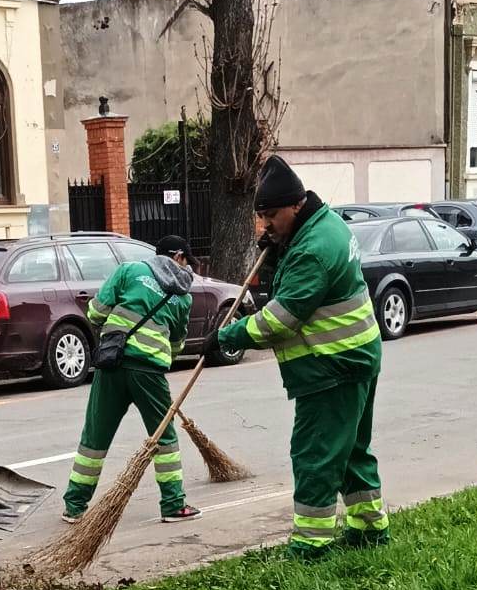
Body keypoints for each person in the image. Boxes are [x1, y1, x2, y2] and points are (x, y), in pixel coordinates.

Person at [211, 156, 386, 556]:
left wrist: (229, 336)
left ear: (294, 205)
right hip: (354, 357)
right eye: (261, 217)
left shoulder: (314, 250)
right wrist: (277, 252)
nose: (265, 224)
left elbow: (282, 319)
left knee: (315, 455)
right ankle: (369, 530)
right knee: (351, 450)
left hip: (333, 366)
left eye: (271, 215)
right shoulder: (323, 226)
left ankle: (310, 545)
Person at [62, 234, 202, 525]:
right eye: (187, 260)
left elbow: (96, 312)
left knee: (95, 436)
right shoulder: (182, 297)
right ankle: (174, 505)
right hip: (149, 373)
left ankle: (74, 506)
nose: (187, 267)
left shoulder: (128, 271)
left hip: (111, 365)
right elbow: (177, 343)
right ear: (177, 257)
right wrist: (159, 353)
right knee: (164, 438)